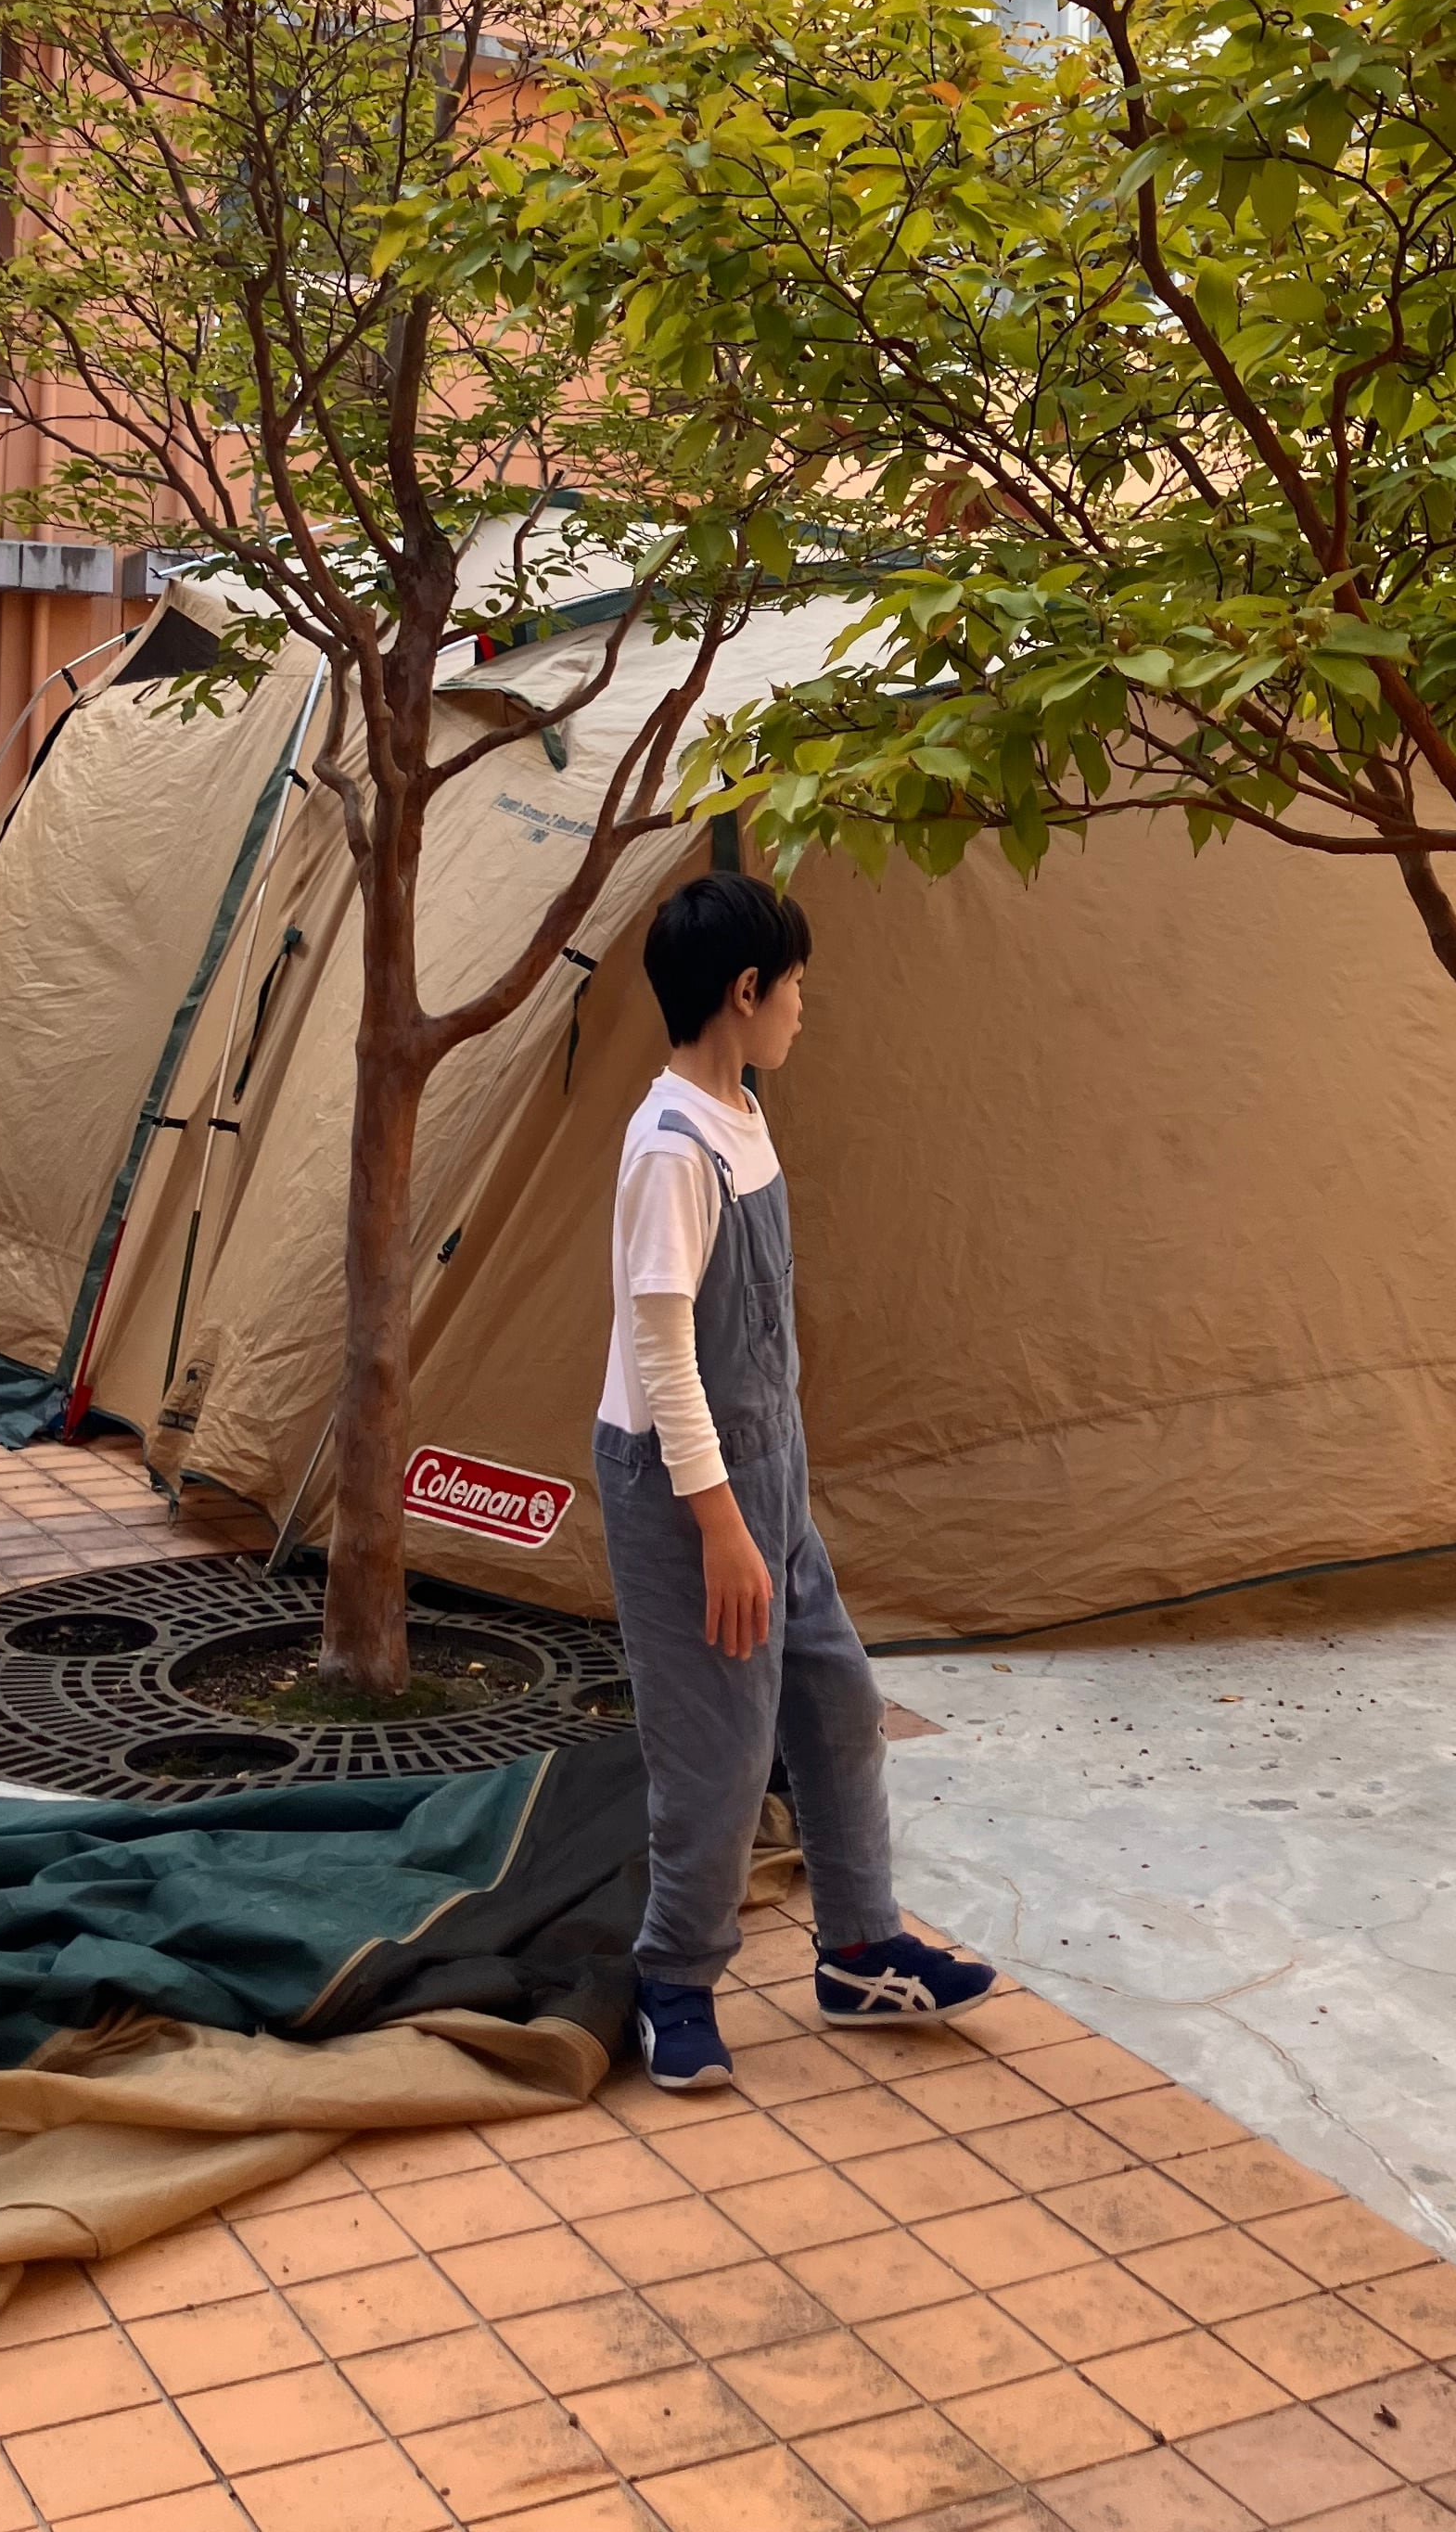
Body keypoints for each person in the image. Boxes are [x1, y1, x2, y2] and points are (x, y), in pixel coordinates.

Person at [595, 867, 998, 2090]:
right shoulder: (671, 1149)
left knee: (835, 1702)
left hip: (771, 1476)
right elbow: (665, 1356)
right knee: (717, 1758)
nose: (805, 1008)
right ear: (746, 989)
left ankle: (861, 1951)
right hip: (687, 1495)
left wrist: (775, 1504)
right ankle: (673, 1983)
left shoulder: (745, 1112)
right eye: (798, 986)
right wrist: (722, 1529)